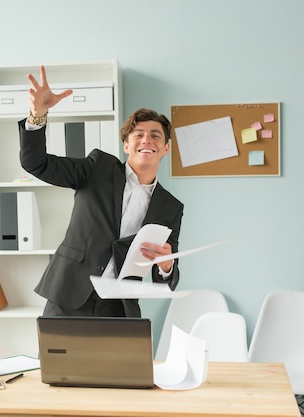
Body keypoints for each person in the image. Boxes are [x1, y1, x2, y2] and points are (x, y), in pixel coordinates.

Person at [18, 66, 183, 318]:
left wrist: (167, 267)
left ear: (165, 149)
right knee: (58, 358)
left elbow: (164, 281)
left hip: (119, 306)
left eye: (155, 136)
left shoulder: (170, 207)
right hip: (69, 295)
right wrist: (37, 115)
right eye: (138, 135)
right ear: (126, 145)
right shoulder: (98, 168)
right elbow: (36, 163)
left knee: (115, 361)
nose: (147, 140)